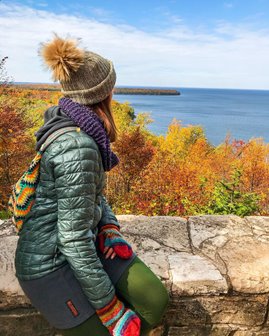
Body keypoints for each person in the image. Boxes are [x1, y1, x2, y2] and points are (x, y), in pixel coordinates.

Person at [14, 35, 169, 336]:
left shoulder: (78, 128)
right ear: (105, 93)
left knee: (154, 298)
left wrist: (109, 228)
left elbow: (93, 196)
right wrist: (109, 308)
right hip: (49, 264)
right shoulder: (78, 146)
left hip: (81, 242)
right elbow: (72, 239)